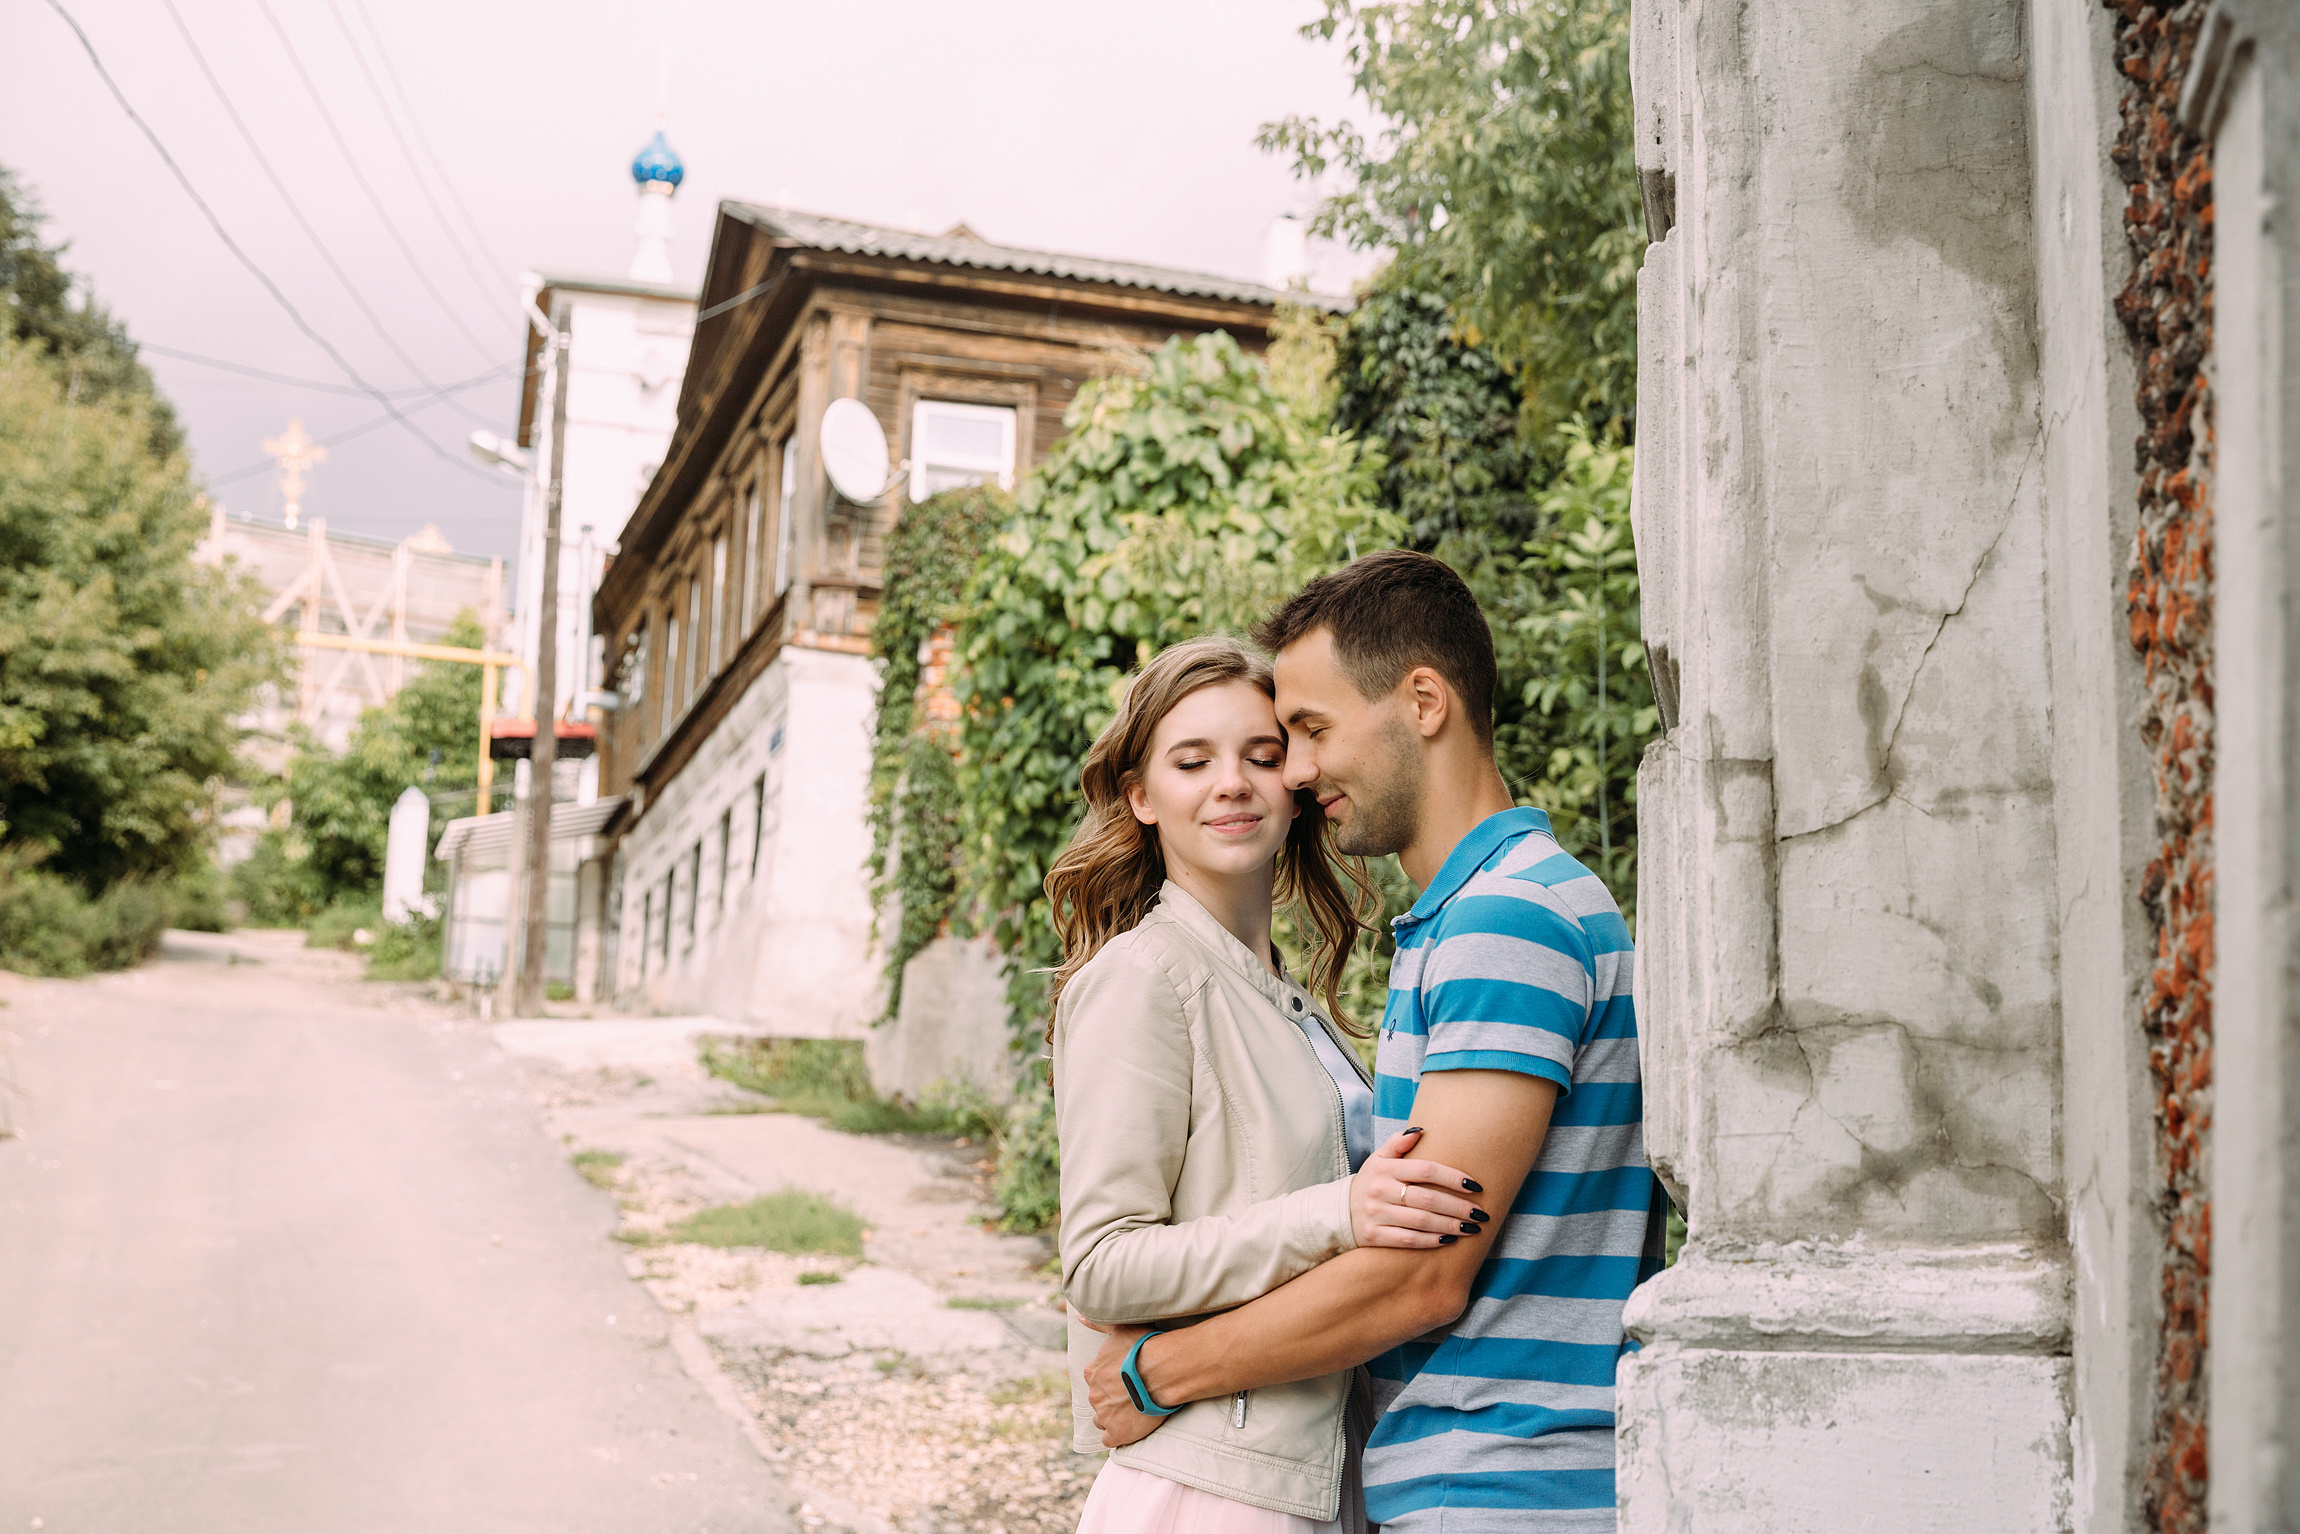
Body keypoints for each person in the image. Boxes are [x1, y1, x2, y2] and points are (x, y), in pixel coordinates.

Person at [1083, 551, 1667, 1532]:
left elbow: (1419, 1270)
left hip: (1503, 1482)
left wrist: (1158, 1368)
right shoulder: (1474, 917)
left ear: (1423, 701)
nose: (1298, 771)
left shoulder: (1504, 923)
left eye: (1308, 731)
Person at [1050, 637, 1492, 1534]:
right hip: (1214, 1492)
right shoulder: (1145, 978)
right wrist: (1338, 1212)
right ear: (1140, 796)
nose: (1232, 783)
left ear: (1295, 782)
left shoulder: (1289, 1002)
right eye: (1192, 761)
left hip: (1317, 1479)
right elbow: (1100, 1266)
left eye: (1261, 755)